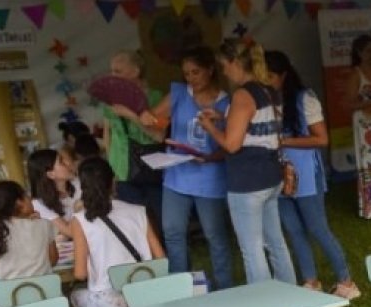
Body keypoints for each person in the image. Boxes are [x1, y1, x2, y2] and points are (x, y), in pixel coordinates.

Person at [199, 38, 296, 284]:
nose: (223, 71)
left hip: (247, 181)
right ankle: (291, 296)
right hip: (270, 176)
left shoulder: (242, 95)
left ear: (234, 62)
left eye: (224, 65)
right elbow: (258, 125)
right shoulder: (269, 89)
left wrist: (210, 127)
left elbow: (232, 144)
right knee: (276, 242)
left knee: (252, 250)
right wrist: (224, 116)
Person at [265, 51, 360, 299]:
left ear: (284, 75)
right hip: (279, 176)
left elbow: (321, 139)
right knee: (293, 230)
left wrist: (285, 140)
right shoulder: (264, 101)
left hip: (306, 175)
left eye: (271, 76)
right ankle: (310, 281)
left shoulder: (304, 98)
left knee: (318, 228)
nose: (267, 82)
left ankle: (346, 281)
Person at [139, 46, 235, 292]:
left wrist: (211, 157)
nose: (191, 78)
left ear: (210, 70)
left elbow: (232, 144)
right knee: (172, 231)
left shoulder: (227, 102)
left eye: (196, 72)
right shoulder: (179, 93)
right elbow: (156, 124)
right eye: (187, 74)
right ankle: (182, 286)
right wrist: (146, 119)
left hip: (210, 177)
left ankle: (225, 288)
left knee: (215, 235)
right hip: (176, 174)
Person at [68, 157, 165, 307]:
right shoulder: (138, 211)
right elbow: (160, 258)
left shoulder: (80, 220)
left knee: (71, 299)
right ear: (113, 181)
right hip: (145, 291)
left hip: (111, 301)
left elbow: (80, 274)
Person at [100, 50, 164, 237]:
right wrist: (109, 168)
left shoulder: (154, 97)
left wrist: (131, 115)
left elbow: (158, 135)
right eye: (111, 71)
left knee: (159, 221)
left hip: (151, 166)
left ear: (135, 71)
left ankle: (164, 261)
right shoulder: (109, 102)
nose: (113, 76)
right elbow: (108, 133)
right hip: (121, 170)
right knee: (134, 225)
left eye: (118, 71)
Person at [0, 180, 57, 280]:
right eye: (26, 195)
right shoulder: (44, 225)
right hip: (47, 292)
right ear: (19, 202)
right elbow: (53, 259)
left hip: (9, 293)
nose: (30, 198)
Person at [25, 147, 80, 240]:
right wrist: (78, 208)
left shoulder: (78, 184)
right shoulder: (39, 204)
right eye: (61, 162)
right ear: (51, 174)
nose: (68, 163)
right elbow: (71, 232)